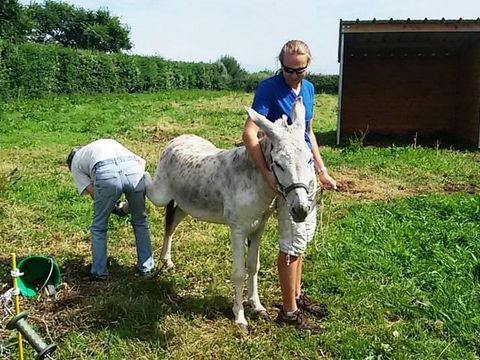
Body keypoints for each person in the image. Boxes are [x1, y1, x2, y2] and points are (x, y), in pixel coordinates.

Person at [243, 40, 337, 332]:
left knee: (303, 238)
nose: (294, 76)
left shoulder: (308, 90)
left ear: (308, 66)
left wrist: (321, 170)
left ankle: (296, 293)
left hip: (304, 169)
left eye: (300, 70)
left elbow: (308, 132)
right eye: (288, 70)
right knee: (291, 241)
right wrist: (268, 174)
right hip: (286, 175)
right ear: (280, 64)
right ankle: (289, 311)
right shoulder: (269, 88)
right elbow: (249, 133)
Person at [67, 139, 154, 281]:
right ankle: (146, 267)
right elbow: (139, 163)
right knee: (140, 220)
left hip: (105, 173)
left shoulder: (75, 163)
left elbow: (94, 192)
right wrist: (125, 207)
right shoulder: (98, 146)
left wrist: (112, 208)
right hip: (133, 168)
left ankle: (99, 272)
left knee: (98, 227)